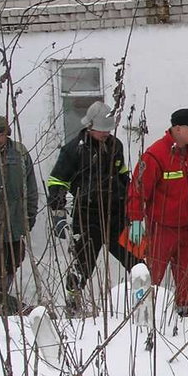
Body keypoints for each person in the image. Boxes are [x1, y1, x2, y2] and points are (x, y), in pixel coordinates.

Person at [126, 108, 188, 317]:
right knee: (154, 274)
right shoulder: (155, 155)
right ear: (178, 129)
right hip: (161, 229)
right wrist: (135, 220)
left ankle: (186, 313)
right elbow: (137, 191)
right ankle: (144, 314)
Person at [47, 102, 140, 314]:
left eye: (109, 129)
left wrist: (133, 211)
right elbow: (57, 181)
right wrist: (58, 214)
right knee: (82, 266)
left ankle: (143, 304)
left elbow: (123, 176)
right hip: (87, 216)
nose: (106, 133)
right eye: (102, 129)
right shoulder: (73, 150)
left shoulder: (115, 145)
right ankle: (73, 303)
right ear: (89, 126)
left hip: (116, 216)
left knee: (137, 263)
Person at [0, 115, 37, 313]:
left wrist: (30, 216)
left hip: (16, 219)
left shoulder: (20, 153)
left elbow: (31, 186)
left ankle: (3, 299)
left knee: (15, 258)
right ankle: (1, 302)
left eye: (2, 134)